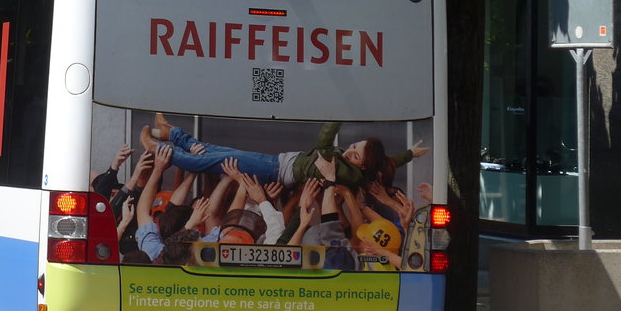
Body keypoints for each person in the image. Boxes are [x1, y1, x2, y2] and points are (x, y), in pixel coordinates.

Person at [142, 113, 429, 192]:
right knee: (218, 150)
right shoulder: (360, 167)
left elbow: (325, 139)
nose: (350, 150)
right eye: (354, 146)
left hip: (273, 170)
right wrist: (410, 155)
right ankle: (173, 133)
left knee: (214, 160)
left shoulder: (343, 170)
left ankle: (160, 150)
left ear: (362, 167)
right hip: (276, 162)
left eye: (355, 153)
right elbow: (388, 162)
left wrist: (339, 113)